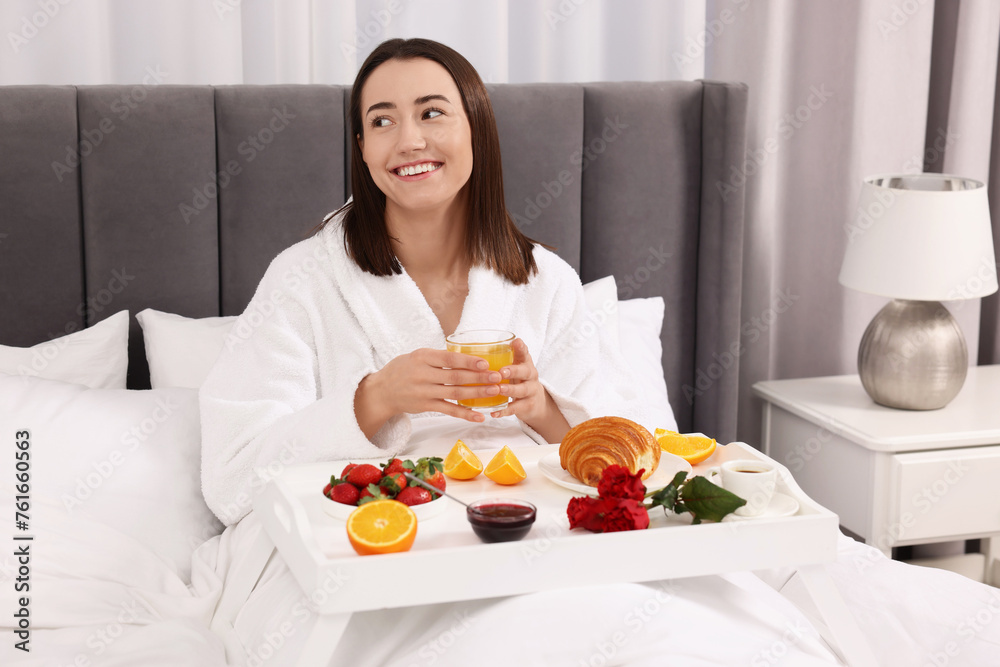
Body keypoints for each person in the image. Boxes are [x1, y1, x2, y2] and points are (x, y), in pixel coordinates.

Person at [199, 38, 674, 527]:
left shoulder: (545, 280)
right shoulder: (302, 279)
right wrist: (376, 399)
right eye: (381, 121)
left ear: (477, 129)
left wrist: (540, 406)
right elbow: (233, 479)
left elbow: (632, 463)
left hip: (527, 527)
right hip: (369, 533)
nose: (408, 141)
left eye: (431, 113)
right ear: (362, 148)